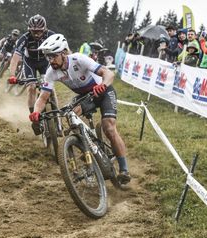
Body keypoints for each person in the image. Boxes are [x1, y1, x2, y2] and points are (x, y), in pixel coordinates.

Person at [30, 33, 131, 184]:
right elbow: (43, 98)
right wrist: (36, 112)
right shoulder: (51, 72)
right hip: (85, 96)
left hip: (102, 92)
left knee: (108, 126)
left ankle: (124, 169)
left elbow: (108, 73)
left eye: (52, 56)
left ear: (63, 53)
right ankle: (88, 149)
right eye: (47, 57)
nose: (50, 61)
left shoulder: (79, 59)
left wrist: (103, 85)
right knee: (71, 117)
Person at [8, 14, 55, 134]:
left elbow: (64, 50)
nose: (37, 34)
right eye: (34, 31)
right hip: (30, 63)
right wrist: (12, 75)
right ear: (29, 30)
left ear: (44, 29)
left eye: (39, 31)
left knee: (51, 90)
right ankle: (34, 118)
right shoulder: (24, 38)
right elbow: (15, 58)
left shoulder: (51, 35)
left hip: (45, 63)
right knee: (31, 88)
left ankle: (57, 120)